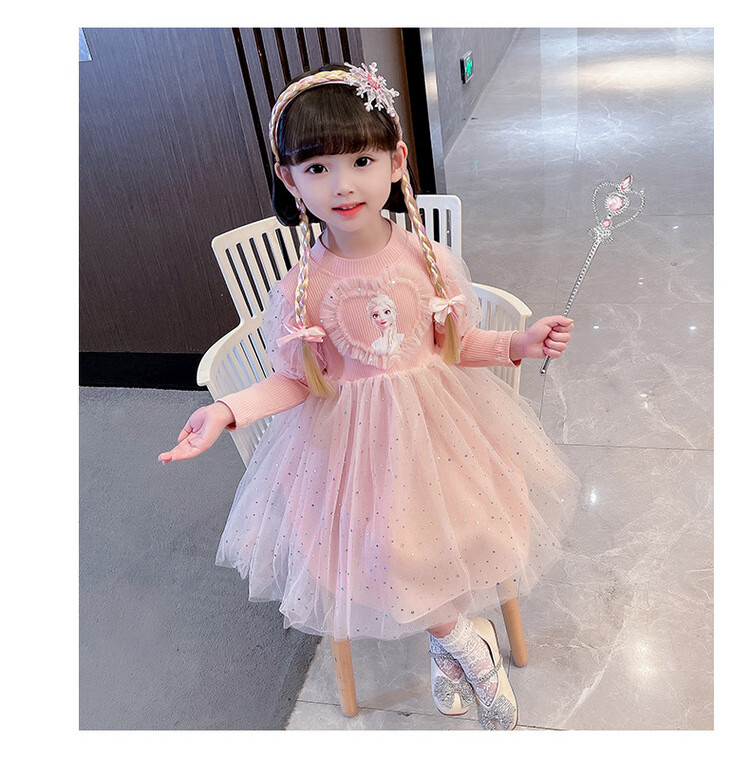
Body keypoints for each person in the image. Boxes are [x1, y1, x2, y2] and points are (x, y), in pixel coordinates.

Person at [158, 61, 582, 730]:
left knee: (451, 534)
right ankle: (465, 642)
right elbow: (297, 379)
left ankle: (448, 645)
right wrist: (225, 409)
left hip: (440, 431)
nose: (343, 184)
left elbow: (456, 344)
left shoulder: (428, 260)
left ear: (396, 161)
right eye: (317, 168)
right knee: (378, 552)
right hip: (353, 449)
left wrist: (519, 343)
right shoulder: (302, 287)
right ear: (290, 180)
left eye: (360, 159)